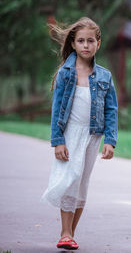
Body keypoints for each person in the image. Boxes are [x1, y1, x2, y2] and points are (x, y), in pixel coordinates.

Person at [41, 17, 118, 250]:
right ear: (73, 44)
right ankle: (65, 232)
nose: (86, 45)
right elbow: (56, 110)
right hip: (70, 135)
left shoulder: (104, 76)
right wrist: (58, 141)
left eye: (90, 41)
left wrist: (110, 140)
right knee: (69, 180)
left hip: (92, 136)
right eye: (81, 41)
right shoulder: (66, 73)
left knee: (81, 184)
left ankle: (69, 235)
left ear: (98, 44)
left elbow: (111, 109)